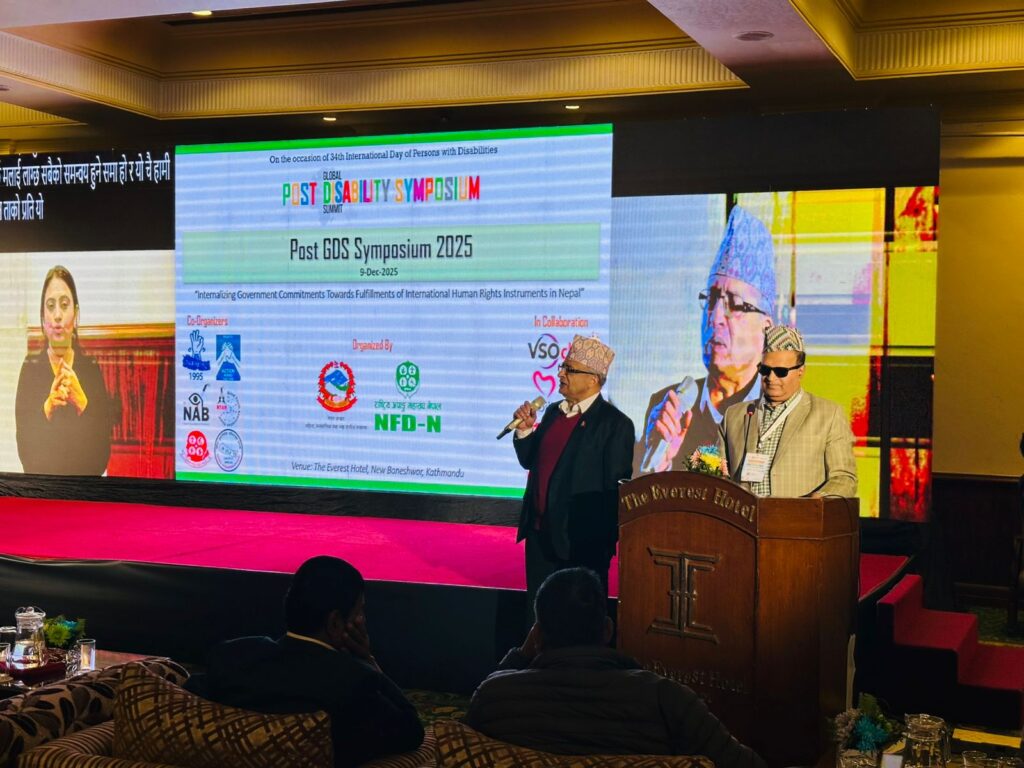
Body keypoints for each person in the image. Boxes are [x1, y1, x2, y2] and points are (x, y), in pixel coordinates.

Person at [466, 567, 766, 768]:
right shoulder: (666, 699)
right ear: (607, 631)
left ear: (537, 636)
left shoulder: (494, 698)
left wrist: (520, 656)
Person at [186, 556, 424, 768]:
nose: (363, 620)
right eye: (360, 611)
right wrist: (368, 661)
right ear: (335, 622)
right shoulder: (354, 680)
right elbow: (411, 731)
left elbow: (187, 695)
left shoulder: (232, 655)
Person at [636, 206, 775, 475]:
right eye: (711, 300)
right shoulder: (667, 407)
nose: (715, 317)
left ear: (766, 328)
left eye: (734, 303)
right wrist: (658, 463)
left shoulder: (779, 413)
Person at [510, 334, 634, 608]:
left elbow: (613, 491)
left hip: (579, 544)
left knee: (577, 616)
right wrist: (525, 429)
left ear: (593, 379)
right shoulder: (554, 412)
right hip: (540, 535)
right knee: (540, 613)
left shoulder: (615, 425)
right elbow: (532, 461)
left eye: (570, 369)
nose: (561, 373)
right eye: (562, 367)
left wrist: (601, 547)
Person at [718, 325, 857, 498]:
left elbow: (844, 478)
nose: (771, 378)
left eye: (781, 372)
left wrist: (819, 500)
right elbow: (718, 476)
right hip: (743, 521)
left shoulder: (828, 415)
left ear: (801, 371)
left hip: (797, 521)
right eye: (765, 370)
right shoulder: (734, 415)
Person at [15, 265, 113, 475]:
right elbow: (26, 454)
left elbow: (102, 458)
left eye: (64, 305)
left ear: (75, 313)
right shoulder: (30, 369)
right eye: (50, 306)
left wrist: (83, 403)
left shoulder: (91, 370)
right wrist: (47, 408)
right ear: (43, 316)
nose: (57, 315)